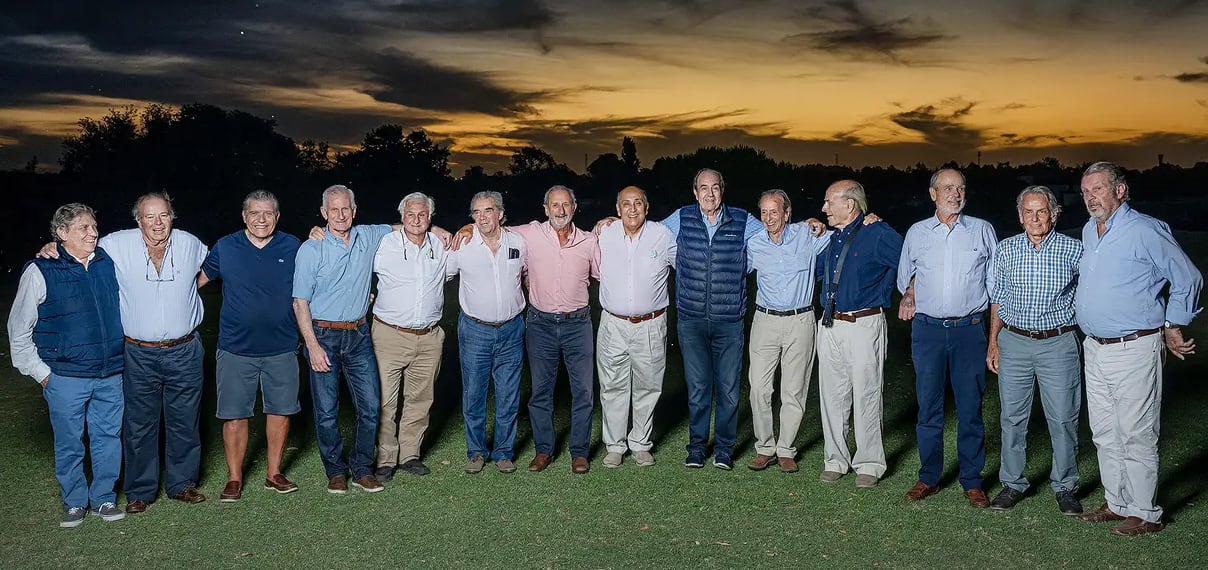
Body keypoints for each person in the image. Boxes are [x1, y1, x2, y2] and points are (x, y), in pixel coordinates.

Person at [1074, 161, 1202, 536]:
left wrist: (1172, 324)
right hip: (1095, 348)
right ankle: (1117, 503)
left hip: (1133, 346)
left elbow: (1188, 277)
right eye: (1085, 191)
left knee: (1136, 432)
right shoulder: (1089, 230)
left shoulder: (1144, 230)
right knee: (1104, 432)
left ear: (1120, 190)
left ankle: (1146, 512)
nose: (1090, 197)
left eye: (1097, 189)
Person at [8, 204, 125, 527]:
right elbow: (18, 329)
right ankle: (74, 502)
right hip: (65, 376)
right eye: (83, 228)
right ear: (61, 234)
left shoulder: (107, 262)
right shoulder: (41, 269)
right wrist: (42, 374)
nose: (93, 233)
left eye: (93, 226)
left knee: (107, 437)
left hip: (109, 372)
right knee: (70, 441)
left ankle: (103, 498)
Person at [897, 168, 997, 508]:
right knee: (929, 408)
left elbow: (995, 286)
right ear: (933, 193)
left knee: (970, 407)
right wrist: (910, 291)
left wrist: (994, 336)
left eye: (960, 188)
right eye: (948, 188)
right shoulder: (917, 233)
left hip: (970, 330)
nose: (955, 193)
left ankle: (972, 480)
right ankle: (928, 477)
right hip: (927, 331)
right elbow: (905, 277)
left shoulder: (982, 230)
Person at [984, 186, 1083, 515]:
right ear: (1019, 215)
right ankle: (1012, 483)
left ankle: (1065, 486)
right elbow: (997, 299)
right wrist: (994, 342)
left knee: (1063, 418)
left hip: (1059, 343)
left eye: (1042, 211)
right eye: (1029, 211)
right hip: (1014, 342)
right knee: (1012, 418)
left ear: (1054, 214)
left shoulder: (1074, 250)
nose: (1035, 218)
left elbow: (1090, 294)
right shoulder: (1006, 249)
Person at [198, 191, 302, 502]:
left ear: (277, 217)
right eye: (254, 213)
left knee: (280, 411)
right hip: (235, 348)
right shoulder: (226, 246)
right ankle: (234, 477)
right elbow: (196, 281)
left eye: (268, 213)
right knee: (234, 414)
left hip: (282, 346)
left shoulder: (293, 246)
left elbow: (316, 281)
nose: (261, 219)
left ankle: (274, 473)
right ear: (244, 216)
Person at [662, 168, 767, 470]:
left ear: (723, 190)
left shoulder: (743, 221)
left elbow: (777, 233)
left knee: (730, 391)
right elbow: (646, 232)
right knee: (697, 389)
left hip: (729, 320)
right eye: (703, 188)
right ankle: (696, 448)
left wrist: (806, 227)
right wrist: (608, 223)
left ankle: (724, 449)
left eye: (715, 188)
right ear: (695, 193)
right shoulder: (681, 218)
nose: (709, 194)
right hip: (692, 320)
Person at [293, 185, 392, 494]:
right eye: (333, 210)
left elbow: (408, 224)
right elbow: (300, 302)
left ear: (354, 209)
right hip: (323, 334)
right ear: (323, 213)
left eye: (345, 208)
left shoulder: (369, 235)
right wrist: (312, 346)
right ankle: (335, 471)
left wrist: (448, 231)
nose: (340, 215)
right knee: (325, 410)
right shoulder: (311, 248)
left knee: (371, 406)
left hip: (359, 334)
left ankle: (362, 468)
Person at [815, 180, 902, 489]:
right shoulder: (833, 238)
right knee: (832, 395)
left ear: (849, 205)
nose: (823, 208)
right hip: (829, 324)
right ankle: (835, 459)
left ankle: (869, 463)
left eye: (828, 202)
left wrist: (910, 292)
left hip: (864, 325)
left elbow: (909, 264)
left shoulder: (877, 233)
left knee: (866, 393)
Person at [514, 186, 600, 474]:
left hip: (578, 324)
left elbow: (603, 273)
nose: (560, 211)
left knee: (583, 391)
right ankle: (544, 450)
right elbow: (493, 230)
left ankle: (579, 452)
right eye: (555, 205)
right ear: (545, 207)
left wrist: (610, 221)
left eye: (566, 205)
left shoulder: (589, 241)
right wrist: (466, 227)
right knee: (540, 391)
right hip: (541, 324)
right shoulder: (530, 233)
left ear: (574, 208)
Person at [744, 189, 828, 474]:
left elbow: (842, 233)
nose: (768, 218)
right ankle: (765, 447)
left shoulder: (808, 235)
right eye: (764, 212)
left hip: (800, 321)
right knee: (758, 387)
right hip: (765, 320)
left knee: (794, 389)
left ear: (787, 212)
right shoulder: (754, 243)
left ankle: (786, 449)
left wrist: (867, 221)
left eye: (774, 211)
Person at [445, 191, 528, 474]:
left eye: (488, 210)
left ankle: (504, 452)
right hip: (475, 331)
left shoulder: (518, 242)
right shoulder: (463, 245)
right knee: (475, 393)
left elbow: (526, 274)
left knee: (508, 393)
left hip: (511, 329)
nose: (482, 217)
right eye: (476, 212)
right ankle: (476, 451)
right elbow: (441, 275)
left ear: (501, 214)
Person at [370, 192, 449, 481]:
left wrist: (460, 230)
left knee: (420, 399)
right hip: (390, 334)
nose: (416, 220)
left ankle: (410, 455)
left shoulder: (442, 246)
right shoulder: (384, 245)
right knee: (385, 401)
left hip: (429, 337)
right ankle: (385, 458)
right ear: (402, 216)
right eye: (411, 214)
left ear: (431, 217)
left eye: (423, 215)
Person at [595, 186, 676, 468]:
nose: (632, 209)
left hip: (651, 323)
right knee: (612, 386)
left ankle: (641, 442)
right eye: (626, 204)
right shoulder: (603, 235)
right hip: (613, 324)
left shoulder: (663, 235)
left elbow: (686, 264)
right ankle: (615, 445)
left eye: (638, 203)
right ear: (617, 210)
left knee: (648, 384)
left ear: (647, 207)